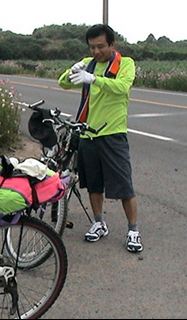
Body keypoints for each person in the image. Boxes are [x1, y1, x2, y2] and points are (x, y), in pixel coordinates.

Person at [58, 24, 143, 253]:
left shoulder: (125, 63)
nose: (96, 51)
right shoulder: (89, 63)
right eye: (92, 47)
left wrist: (93, 79)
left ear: (111, 45)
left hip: (113, 133)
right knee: (93, 184)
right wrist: (72, 71)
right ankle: (98, 223)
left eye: (101, 46)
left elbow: (122, 87)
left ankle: (133, 230)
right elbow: (63, 83)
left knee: (124, 185)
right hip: (87, 133)